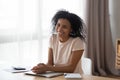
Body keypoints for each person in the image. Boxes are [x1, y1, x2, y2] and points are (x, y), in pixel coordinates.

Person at [32, 9, 86, 74]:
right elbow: (50, 63)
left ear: (71, 29)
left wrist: (47, 68)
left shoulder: (77, 41)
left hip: (74, 77)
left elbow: (71, 68)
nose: (59, 29)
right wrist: (41, 68)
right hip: (58, 76)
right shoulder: (52, 38)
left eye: (64, 27)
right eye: (58, 25)